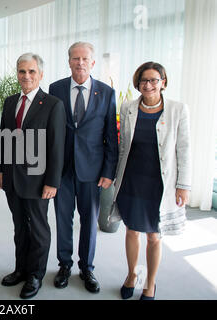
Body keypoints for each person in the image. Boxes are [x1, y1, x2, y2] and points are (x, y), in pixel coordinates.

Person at [114, 62, 191, 300]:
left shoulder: (178, 109)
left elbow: (184, 148)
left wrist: (183, 185)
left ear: (163, 82)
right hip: (131, 179)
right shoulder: (127, 107)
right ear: (138, 84)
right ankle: (131, 275)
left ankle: (150, 283)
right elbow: (123, 146)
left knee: (154, 235)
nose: (148, 85)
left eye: (154, 80)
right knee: (131, 231)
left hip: (159, 184)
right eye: (144, 80)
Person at [0, 53, 66, 299]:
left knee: (38, 229)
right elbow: (4, 137)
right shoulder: (10, 101)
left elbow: (57, 147)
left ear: (41, 74)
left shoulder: (53, 104)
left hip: (38, 180)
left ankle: (35, 275)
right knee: (19, 227)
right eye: (22, 71)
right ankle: (21, 269)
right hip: (13, 178)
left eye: (31, 71)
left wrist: (52, 182)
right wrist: (0, 169)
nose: (26, 76)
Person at [49, 41, 118, 293]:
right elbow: (51, 132)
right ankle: (64, 265)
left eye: (84, 58)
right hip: (62, 169)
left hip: (93, 171)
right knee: (63, 219)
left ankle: (87, 268)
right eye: (75, 58)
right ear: (68, 61)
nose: (80, 63)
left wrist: (109, 171)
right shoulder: (55, 89)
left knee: (89, 221)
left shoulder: (106, 93)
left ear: (92, 62)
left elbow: (111, 136)